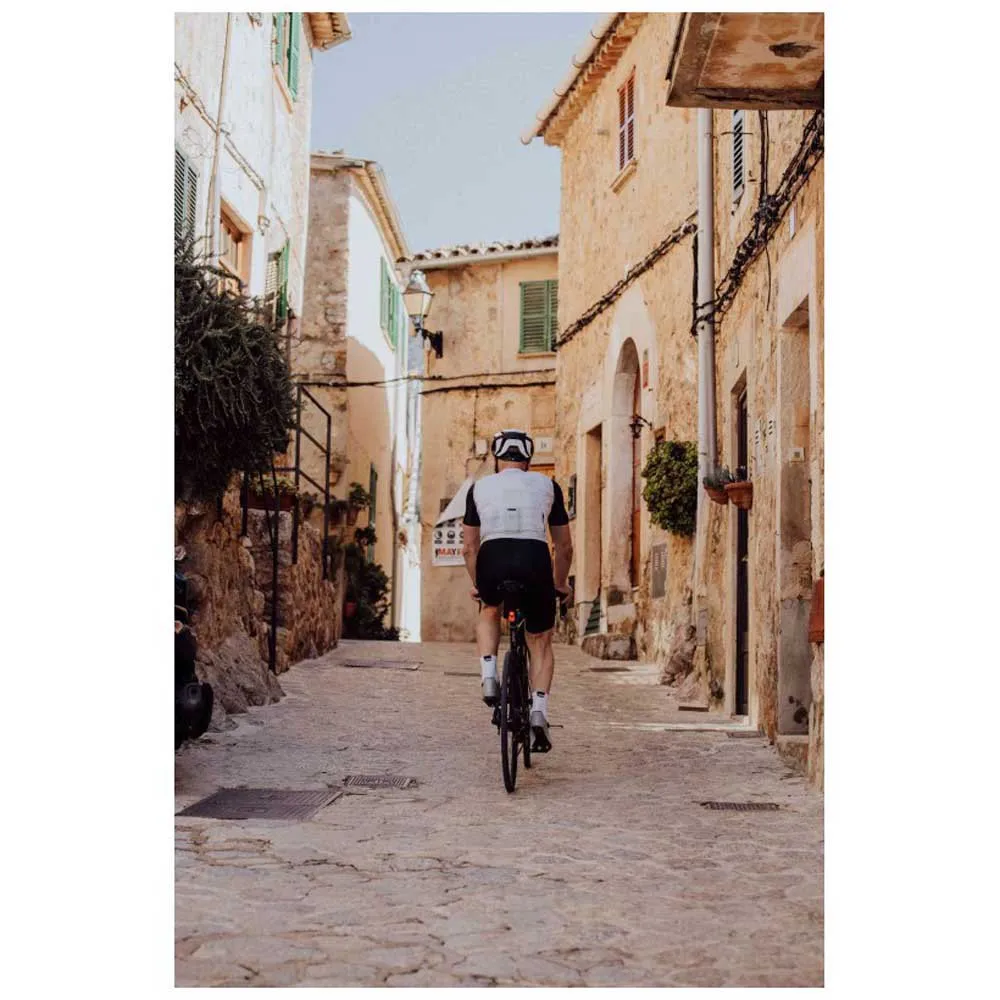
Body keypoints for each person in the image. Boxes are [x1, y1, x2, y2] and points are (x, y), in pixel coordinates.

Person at [461, 429, 573, 752]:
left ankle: (489, 675)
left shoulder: (479, 488)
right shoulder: (548, 486)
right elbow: (564, 547)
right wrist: (559, 583)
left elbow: (469, 548)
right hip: (534, 558)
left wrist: (479, 585)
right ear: (528, 460)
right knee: (540, 639)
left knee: (489, 609)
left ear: (497, 459)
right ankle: (539, 711)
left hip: (493, 557)